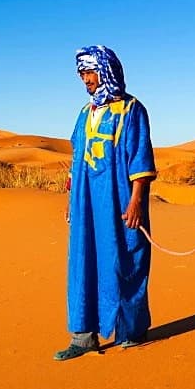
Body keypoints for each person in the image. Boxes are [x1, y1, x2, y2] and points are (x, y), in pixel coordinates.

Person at [55, 45, 157, 361]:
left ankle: (132, 330)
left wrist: (137, 200)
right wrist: (72, 199)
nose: (86, 79)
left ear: (106, 71)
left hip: (121, 198)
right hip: (87, 201)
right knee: (84, 261)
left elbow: (140, 157)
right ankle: (84, 336)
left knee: (126, 259)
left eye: (90, 72)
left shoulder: (130, 110)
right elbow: (76, 159)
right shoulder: (85, 113)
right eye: (82, 74)